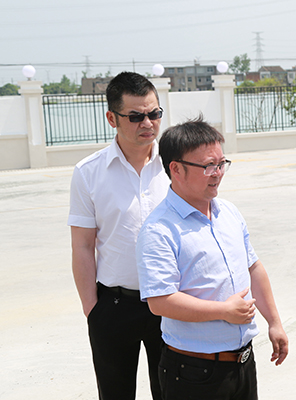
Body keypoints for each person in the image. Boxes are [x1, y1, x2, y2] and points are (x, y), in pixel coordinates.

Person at [136, 118, 288, 400]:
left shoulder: (227, 213)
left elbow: (253, 268)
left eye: (221, 164)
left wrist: (274, 322)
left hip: (242, 363)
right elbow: (160, 301)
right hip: (194, 373)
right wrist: (223, 311)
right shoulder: (159, 229)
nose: (217, 173)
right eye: (208, 166)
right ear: (176, 169)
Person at [68, 71, 168, 400]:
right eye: (135, 116)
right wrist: (93, 311)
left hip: (172, 304)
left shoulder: (176, 165)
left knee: (173, 393)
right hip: (113, 306)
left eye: (154, 113)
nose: (148, 123)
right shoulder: (89, 172)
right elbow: (83, 246)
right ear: (112, 118)